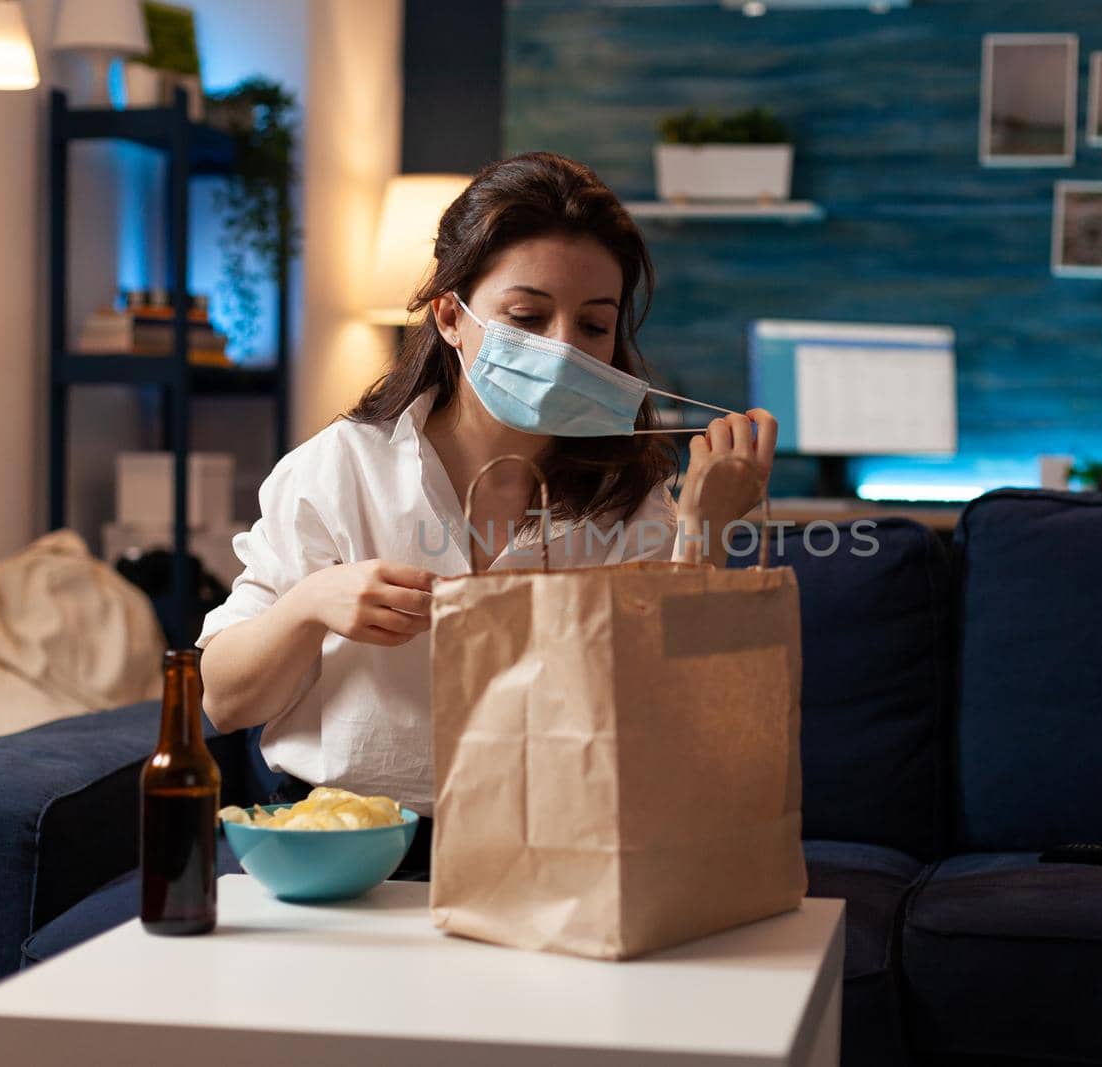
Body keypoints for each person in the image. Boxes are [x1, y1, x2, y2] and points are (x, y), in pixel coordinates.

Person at [196, 152, 778, 879]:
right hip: (352, 857)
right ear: (450, 316)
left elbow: (674, 718)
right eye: (528, 316)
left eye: (594, 326)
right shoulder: (340, 471)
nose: (562, 348)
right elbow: (221, 698)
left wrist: (706, 531)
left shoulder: (626, 496)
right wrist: (312, 605)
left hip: (557, 856)